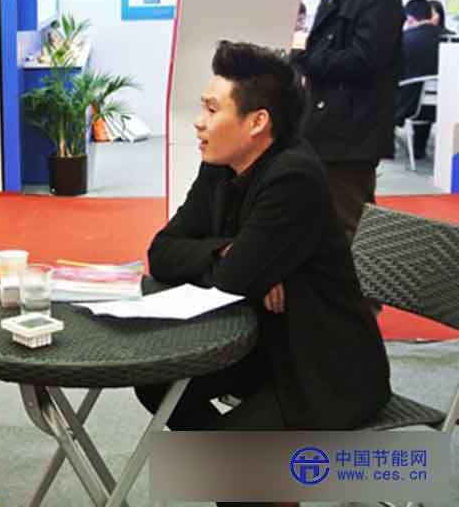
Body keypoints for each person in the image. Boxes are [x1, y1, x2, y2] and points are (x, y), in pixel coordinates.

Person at [136, 41, 391, 507]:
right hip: (261, 345)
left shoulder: (294, 177)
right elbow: (162, 251)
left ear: (257, 122)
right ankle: (266, 486)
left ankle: (259, 483)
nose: (199, 122)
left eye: (212, 109)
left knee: (230, 466)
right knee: (155, 382)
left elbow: (230, 281)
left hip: (321, 369)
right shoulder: (222, 164)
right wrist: (231, 250)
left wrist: (242, 265)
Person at [291, 0, 404, 244]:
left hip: (350, 134)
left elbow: (363, 61)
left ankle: (358, 277)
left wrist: (303, 53)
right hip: (322, 126)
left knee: (347, 226)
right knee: (318, 222)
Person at [395, 0, 442, 160]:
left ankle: (384, 147)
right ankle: (419, 148)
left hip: (408, 105)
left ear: (409, 19)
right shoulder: (451, 40)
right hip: (445, 105)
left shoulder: (403, 39)